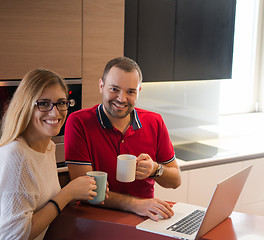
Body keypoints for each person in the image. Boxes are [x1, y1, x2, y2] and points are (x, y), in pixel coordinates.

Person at [65, 56, 181, 221]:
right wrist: (135, 205)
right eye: (114, 89)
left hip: (145, 217)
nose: (121, 98)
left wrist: (155, 169)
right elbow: (86, 193)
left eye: (130, 92)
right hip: (95, 220)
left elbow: (175, 181)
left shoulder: (154, 121)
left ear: (138, 92)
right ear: (101, 86)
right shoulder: (78, 122)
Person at [0, 69, 102, 240]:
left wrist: (79, 192)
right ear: (26, 106)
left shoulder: (48, 148)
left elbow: (41, 204)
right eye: (44, 104)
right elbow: (13, 235)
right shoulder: (16, 155)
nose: (55, 113)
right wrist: (67, 193)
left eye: (61, 103)